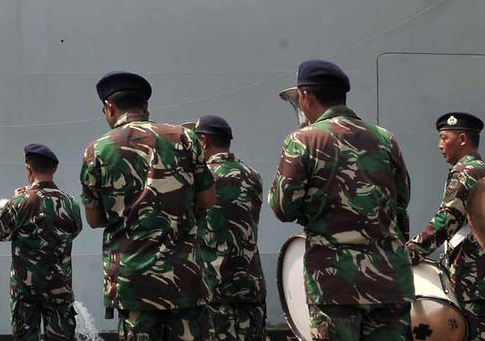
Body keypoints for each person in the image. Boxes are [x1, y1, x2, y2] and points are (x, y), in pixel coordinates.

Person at [270, 60, 413, 340]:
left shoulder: (302, 140)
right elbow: (402, 199)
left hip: (334, 280)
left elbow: (283, 208)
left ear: (305, 95)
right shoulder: (385, 139)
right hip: (389, 279)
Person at [80, 71, 215, 339]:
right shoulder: (184, 138)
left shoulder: (96, 150)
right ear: (146, 106)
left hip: (133, 281)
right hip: (183, 277)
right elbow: (208, 200)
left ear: (109, 107)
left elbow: (94, 220)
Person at [0, 143, 82, 341]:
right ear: (54, 169)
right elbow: (75, 231)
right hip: (59, 288)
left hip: (26, 291)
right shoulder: (70, 203)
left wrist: (7, 206)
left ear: (29, 168)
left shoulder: (20, 202)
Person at [408, 112, 485, 334]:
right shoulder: (479, 169)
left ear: (462, 140)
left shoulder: (465, 172)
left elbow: (448, 219)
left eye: (444, 138)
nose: (440, 145)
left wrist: (411, 252)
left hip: (471, 275)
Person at [190, 116, 266, 339]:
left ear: (203, 142)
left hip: (213, 286)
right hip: (250, 284)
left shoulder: (199, 179)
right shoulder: (253, 175)